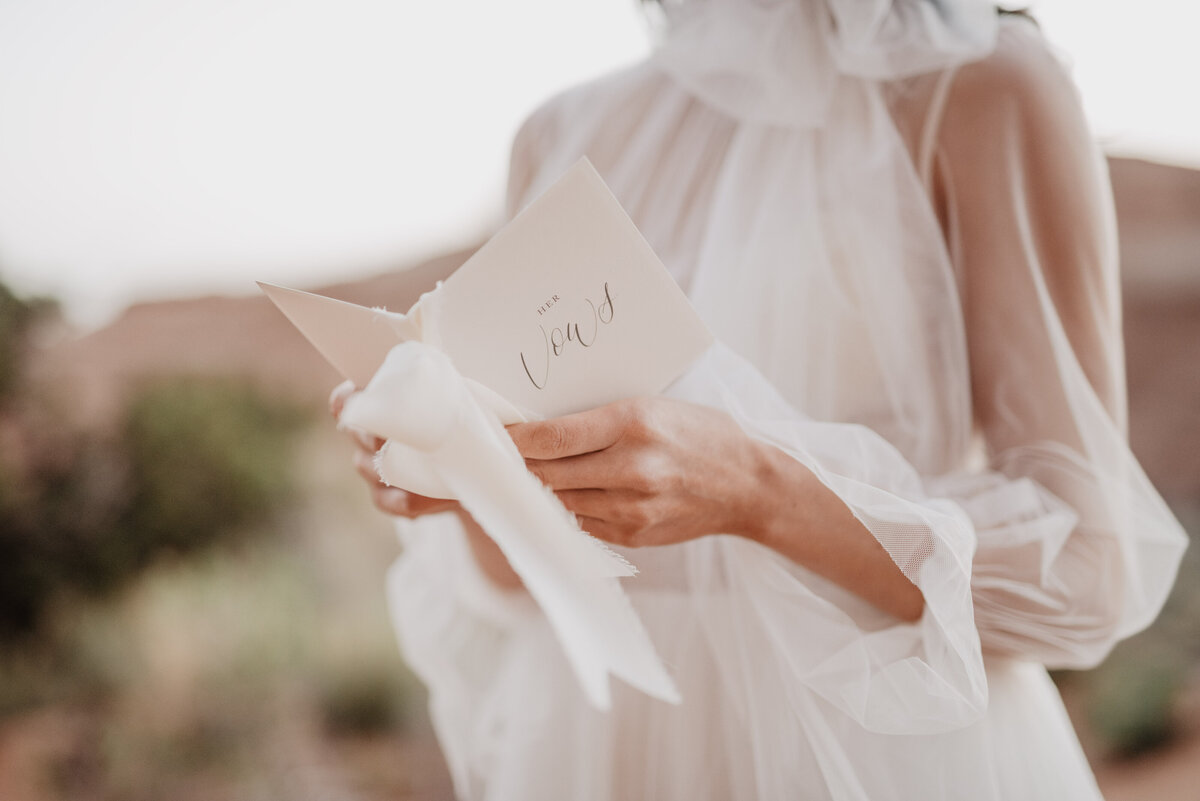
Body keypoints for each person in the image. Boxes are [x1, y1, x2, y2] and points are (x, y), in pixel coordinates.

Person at [330, 1, 1188, 798]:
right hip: (603, 750)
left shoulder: (981, 84)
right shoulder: (558, 133)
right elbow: (522, 575)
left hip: (877, 752)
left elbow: (1089, 567)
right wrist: (462, 474)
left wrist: (758, 488)